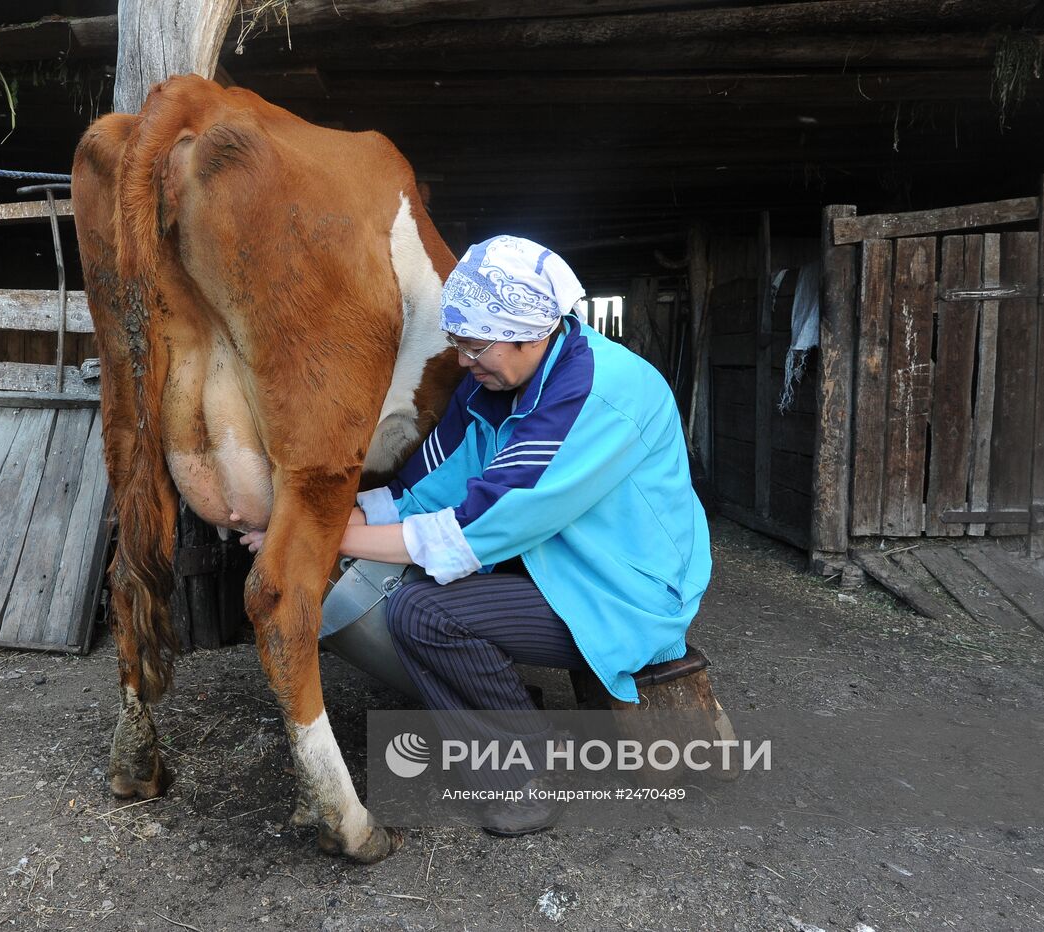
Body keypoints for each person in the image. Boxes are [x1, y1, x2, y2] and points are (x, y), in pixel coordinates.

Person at [247, 235, 711, 836]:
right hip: (558, 561)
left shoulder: (598, 395)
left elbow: (474, 528)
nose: (463, 361)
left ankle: (527, 777)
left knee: (422, 611)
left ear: (530, 331)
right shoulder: (496, 383)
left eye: (475, 344)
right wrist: (310, 522)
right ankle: (506, 715)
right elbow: (428, 490)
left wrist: (319, 542)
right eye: (458, 343)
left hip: (624, 592)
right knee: (414, 592)